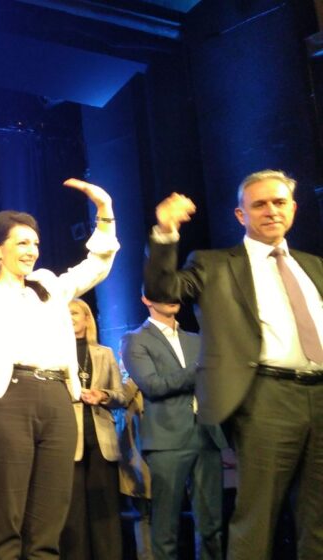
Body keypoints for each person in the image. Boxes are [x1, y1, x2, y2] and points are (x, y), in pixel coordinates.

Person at [143, 169, 322, 559]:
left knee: (319, 519)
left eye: (279, 202)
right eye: (259, 204)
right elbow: (161, 289)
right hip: (266, 396)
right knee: (258, 516)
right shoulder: (214, 264)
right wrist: (166, 232)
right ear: (241, 215)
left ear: (293, 209)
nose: (271, 211)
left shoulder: (313, 266)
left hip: (320, 393)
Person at [0, 156, 119, 559]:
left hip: (57, 399)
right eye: (22, 243)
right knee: (4, 523)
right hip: (5, 397)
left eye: (35, 243)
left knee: (47, 526)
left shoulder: (49, 286)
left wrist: (105, 211)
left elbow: (97, 265)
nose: (32, 251)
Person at [120, 292, 226, 560]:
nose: (172, 296)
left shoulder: (196, 339)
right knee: (166, 525)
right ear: (146, 299)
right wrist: (200, 369)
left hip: (206, 434)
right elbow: (153, 385)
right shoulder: (135, 339)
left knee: (212, 525)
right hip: (167, 439)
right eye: (163, 291)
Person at [60, 299, 127, 560]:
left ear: (87, 318)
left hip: (101, 439)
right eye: (66, 313)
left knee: (105, 510)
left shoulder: (104, 353)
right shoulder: (55, 354)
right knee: (73, 512)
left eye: (75, 312)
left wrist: (103, 395)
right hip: (69, 438)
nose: (70, 317)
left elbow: (121, 396)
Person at [116, 374, 153, 560]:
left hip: (165, 451)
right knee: (143, 514)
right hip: (139, 456)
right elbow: (121, 397)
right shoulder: (133, 378)